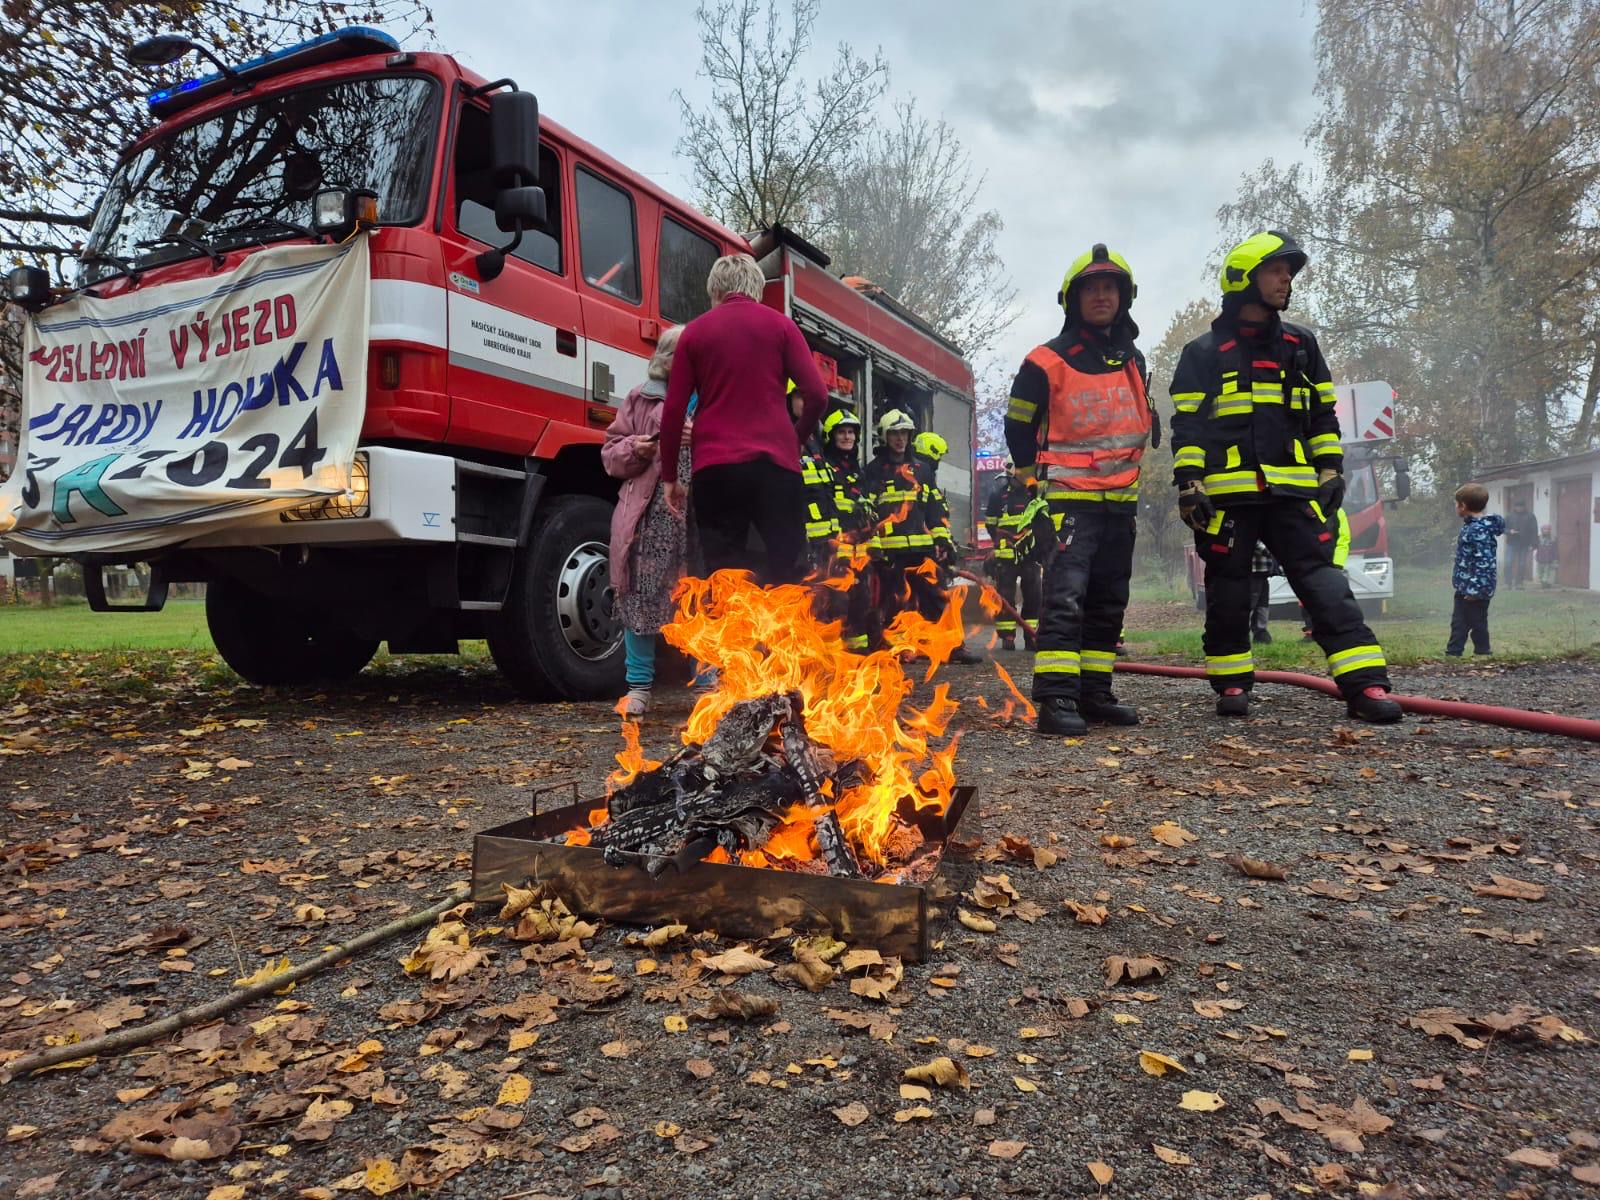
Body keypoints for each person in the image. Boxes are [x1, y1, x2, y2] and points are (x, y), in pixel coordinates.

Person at [1169, 230, 1402, 723]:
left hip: (1291, 493)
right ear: (1243, 279)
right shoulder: (1203, 352)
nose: (1286, 281)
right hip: (1228, 499)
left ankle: (1365, 684)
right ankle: (1232, 683)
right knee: (1229, 593)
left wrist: (1330, 468)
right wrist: (1190, 484)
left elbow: (1321, 414)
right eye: (1276, 271)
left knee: (1324, 584)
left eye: (1289, 273)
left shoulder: (1301, 344)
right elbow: (1188, 425)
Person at [1006, 244, 1155, 735]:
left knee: (1108, 602)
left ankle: (1094, 692)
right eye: (1091, 289)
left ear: (1124, 297)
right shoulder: (1045, 361)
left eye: (1110, 288)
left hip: (1121, 503)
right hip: (1069, 501)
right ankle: (1056, 698)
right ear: (1072, 299)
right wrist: (1030, 482)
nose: (1101, 296)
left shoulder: (1132, 359)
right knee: (1065, 599)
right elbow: (1017, 427)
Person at [660, 253, 826, 584]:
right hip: (777, 469)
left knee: (725, 578)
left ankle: (731, 618)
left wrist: (670, 478)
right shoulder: (782, 326)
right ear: (756, 289)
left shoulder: (694, 333)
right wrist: (794, 441)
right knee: (788, 574)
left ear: (716, 291)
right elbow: (818, 395)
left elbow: (674, 410)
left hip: (716, 470)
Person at [602, 327, 686, 718]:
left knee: (703, 597)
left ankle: (709, 684)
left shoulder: (713, 397)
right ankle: (638, 686)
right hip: (650, 516)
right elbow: (610, 455)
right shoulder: (640, 397)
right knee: (641, 596)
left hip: (699, 516)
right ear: (667, 359)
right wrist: (636, 448)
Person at [863, 411, 981, 663]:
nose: (900, 439)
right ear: (885, 436)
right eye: (894, 434)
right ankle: (900, 649)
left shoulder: (922, 469)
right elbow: (868, 512)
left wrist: (942, 540)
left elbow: (934, 509)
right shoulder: (874, 470)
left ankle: (954, 647)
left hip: (922, 551)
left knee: (938, 599)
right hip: (891, 552)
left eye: (904, 433)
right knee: (895, 604)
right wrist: (874, 547)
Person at [821, 407, 877, 652]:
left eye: (851, 432)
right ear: (830, 436)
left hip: (859, 552)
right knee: (835, 601)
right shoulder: (824, 467)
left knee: (860, 600)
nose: (847, 437)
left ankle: (858, 651)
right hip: (834, 549)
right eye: (841, 432)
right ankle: (834, 653)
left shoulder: (858, 471)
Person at [984, 468, 1044, 650]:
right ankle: (1007, 637)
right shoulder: (998, 496)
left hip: (1029, 556)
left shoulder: (1035, 495)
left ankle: (1031, 636)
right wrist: (1001, 544)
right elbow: (990, 525)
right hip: (1006, 558)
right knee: (1005, 597)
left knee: (1034, 596)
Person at [1447, 483, 1503, 657]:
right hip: (1466, 586)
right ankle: (1469, 651)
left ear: (1463, 506)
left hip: (1474, 589)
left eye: (1456, 504)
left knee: (1470, 622)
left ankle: (1468, 652)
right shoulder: (1473, 526)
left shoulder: (1477, 530)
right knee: (1468, 621)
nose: (1456, 507)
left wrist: (1475, 590)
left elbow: (1484, 562)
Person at [1503, 498, 1536, 590]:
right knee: (1508, 562)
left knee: (1522, 564)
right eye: (1517, 506)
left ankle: (1519, 583)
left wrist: (1534, 544)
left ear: (1524, 507)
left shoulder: (1530, 516)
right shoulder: (1509, 516)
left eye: (1521, 506)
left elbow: (1534, 530)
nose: (1519, 508)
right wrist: (1509, 531)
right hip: (1511, 543)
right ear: (1514, 507)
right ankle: (1507, 583)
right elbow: (1502, 528)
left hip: (1524, 543)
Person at [1249, 542, 1278, 644]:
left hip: (1263, 569)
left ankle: (1260, 633)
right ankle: (1241, 632)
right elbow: (1254, 542)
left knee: (1263, 603)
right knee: (1250, 603)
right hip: (1253, 569)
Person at [1536, 523, 1559, 588]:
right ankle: (1544, 582)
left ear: (1550, 530)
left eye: (1548, 529)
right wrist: (1536, 556)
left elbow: (1555, 549)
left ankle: (1544, 583)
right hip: (1540, 558)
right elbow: (1537, 547)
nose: (1546, 531)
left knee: (1547, 572)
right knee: (1539, 572)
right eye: (1545, 529)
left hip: (1548, 558)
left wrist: (1555, 558)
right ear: (1542, 530)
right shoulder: (1539, 538)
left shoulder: (1553, 539)